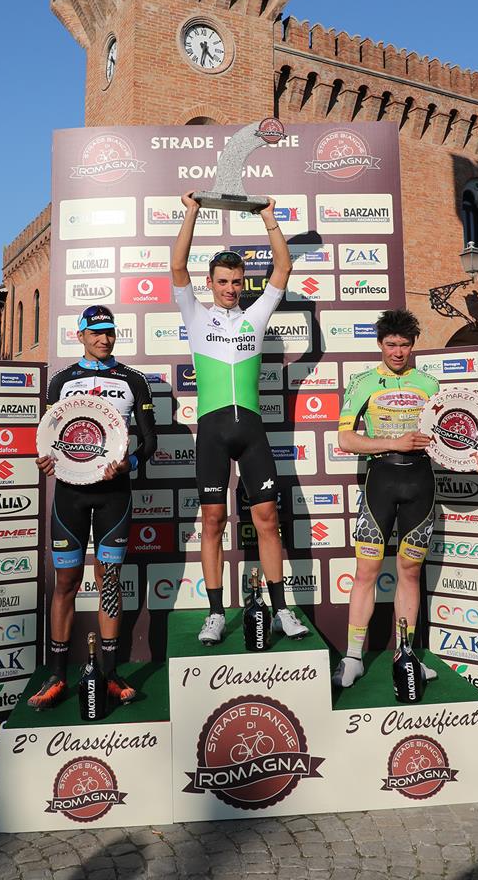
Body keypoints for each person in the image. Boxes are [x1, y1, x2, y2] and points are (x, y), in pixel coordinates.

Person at [332, 309, 478, 688]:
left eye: (404, 345)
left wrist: (476, 460)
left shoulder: (428, 382)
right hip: (381, 482)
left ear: (413, 345)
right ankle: (354, 657)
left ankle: (405, 654)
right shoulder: (362, 382)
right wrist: (394, 442)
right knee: (366, 573)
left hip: (420, 483)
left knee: (409, 573)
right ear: (380, 344)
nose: (397, 351)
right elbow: (345, 439)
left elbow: (447, 436)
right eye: (391, 344)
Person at [171, 192, 308, 645]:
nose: (231, 288)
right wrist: (192, 211)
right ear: (210, 283)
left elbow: (283, 269)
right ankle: (215, 611)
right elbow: (176, 269)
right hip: (211, 431)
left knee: (267, 518)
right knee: (212, 521)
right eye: (223, 281)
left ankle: (280, 609)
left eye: (236, 281)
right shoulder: (195, 315)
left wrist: (269, 219)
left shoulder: (256, 315)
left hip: (250, 430)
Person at [29, 305, 157, 710]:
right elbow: (49, 437)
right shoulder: (62, 382)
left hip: (114, 494)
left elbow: (150, 443)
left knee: (110, 583)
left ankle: (110, 674)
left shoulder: (133, 380)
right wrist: (46, 460)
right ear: (80, 335)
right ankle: (57, 676)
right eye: (96, 332)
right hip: (69, 494)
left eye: (110, 332)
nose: (104, 338)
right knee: (64, 584)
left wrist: (131, 462)